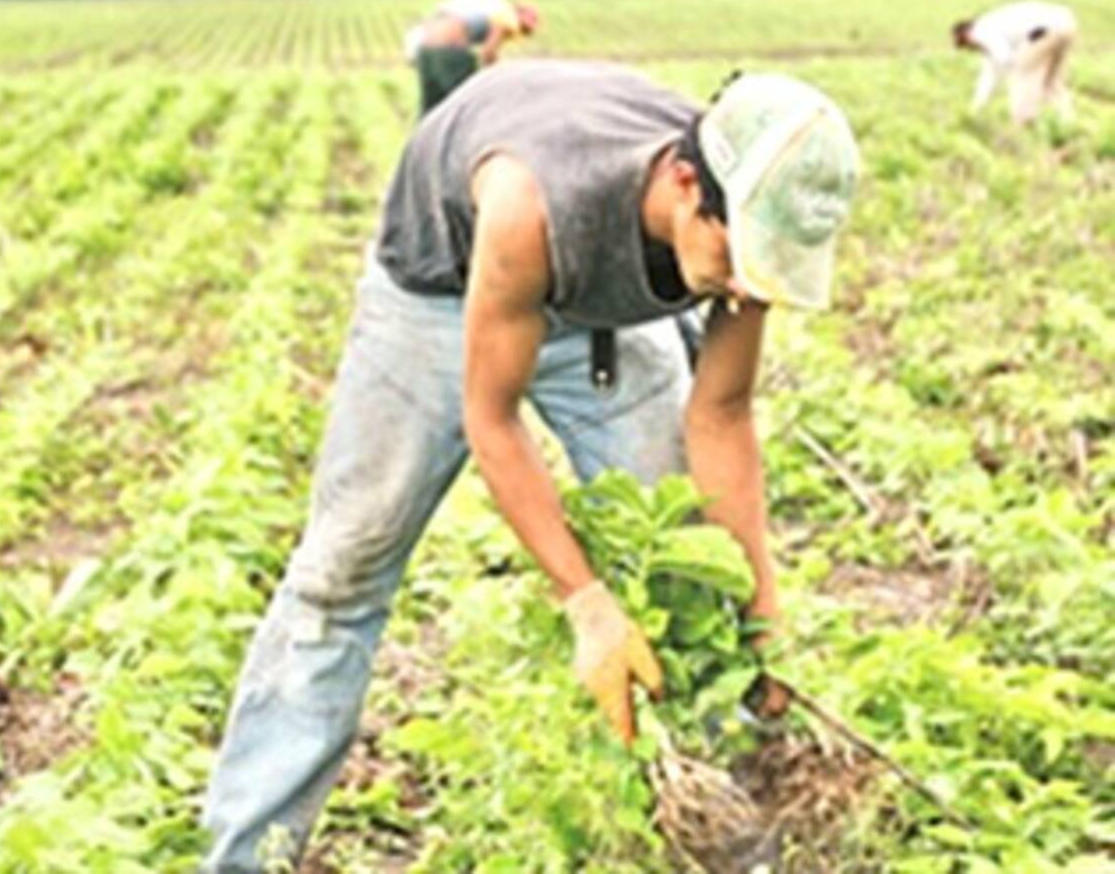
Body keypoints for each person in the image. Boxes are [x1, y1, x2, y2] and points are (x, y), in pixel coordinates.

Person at [200, 60, 859, 872]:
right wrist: (587, 605)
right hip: (441, 297)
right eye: (738, 256)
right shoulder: (530, 199)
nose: (744, 282)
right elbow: (492, 419)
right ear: (686, 185)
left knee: (684, 567)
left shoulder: (747, 208)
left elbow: (721, 417)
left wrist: (762, 621)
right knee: (343, 572)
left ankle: (728, 841)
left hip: (604, 312)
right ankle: (243, 858)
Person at [404, 0, 540, 116]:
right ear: (519, 16)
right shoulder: (508, 16)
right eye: (524, 29)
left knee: (431, 110)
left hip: (426, 52)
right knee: (466, 105)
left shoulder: (489, 5)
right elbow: (488, 53)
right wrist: (499, 76)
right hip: (450, 52)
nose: (518, 33)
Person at [952, 0, 1077, 124]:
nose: (970, 50)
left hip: (1044, 30)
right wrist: (976, 107)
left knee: (1020, 76)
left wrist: (976, 108)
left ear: (967, 34)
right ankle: (1069, 121)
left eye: (965, 44)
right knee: (1051, 83)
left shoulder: (981, 31)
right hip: (1066, 23)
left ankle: (1023, 123)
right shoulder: (991, 27)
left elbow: (1005, 58)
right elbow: (989, 76)